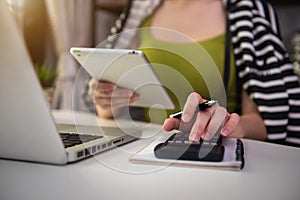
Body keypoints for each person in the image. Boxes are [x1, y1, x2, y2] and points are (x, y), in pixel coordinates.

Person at [87, 0, 300, 147]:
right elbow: (118, 109)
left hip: (217, 154)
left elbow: (267, 117)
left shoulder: (246, 12)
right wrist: (106, 102)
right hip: (148, 150)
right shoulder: (139, 11)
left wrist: (231, 125)